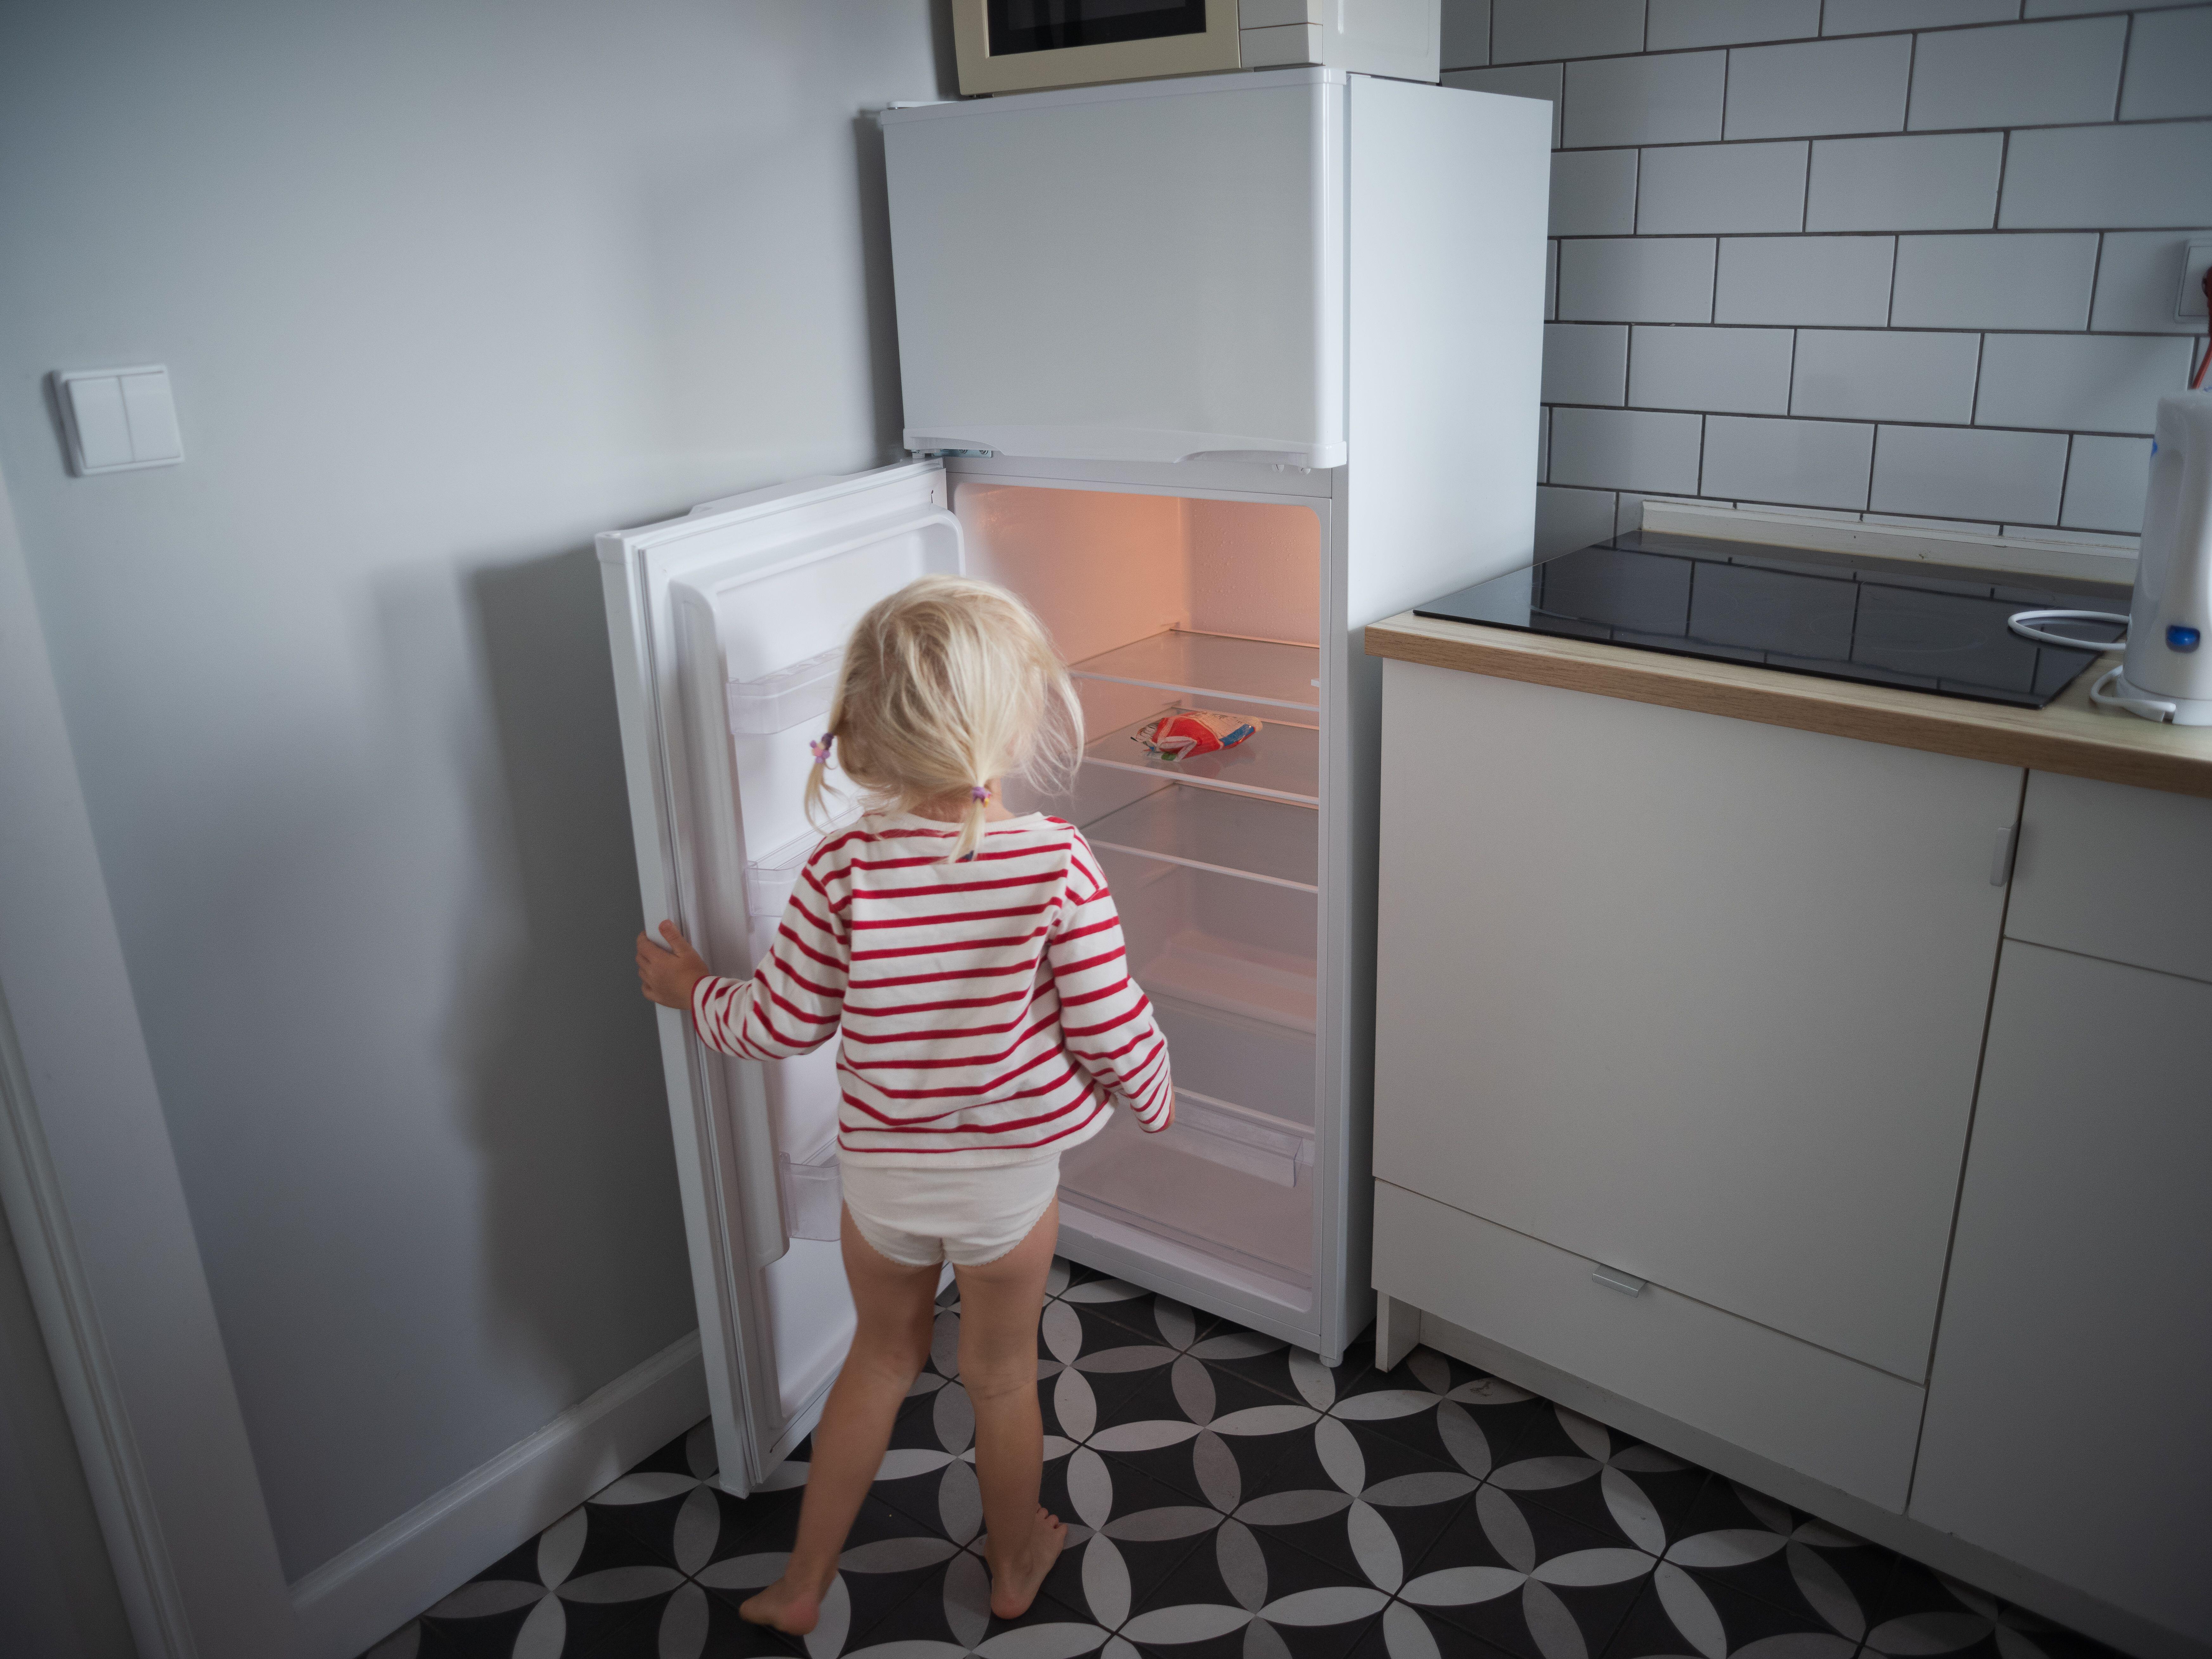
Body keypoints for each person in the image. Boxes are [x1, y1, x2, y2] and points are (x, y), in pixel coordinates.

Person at [635, 573, 1174, 1632]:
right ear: (1015, 721)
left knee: (877, 1361)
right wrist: (1155, 1100)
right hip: (1008, 1189)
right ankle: (1014, 1561)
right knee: (1002, 1376)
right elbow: (1113, 1026)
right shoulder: (1058, 865)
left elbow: (780, 1022)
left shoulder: (840, 868)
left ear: (860, 734)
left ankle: (800, 1585)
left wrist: (691, 988)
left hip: (881, 1182)